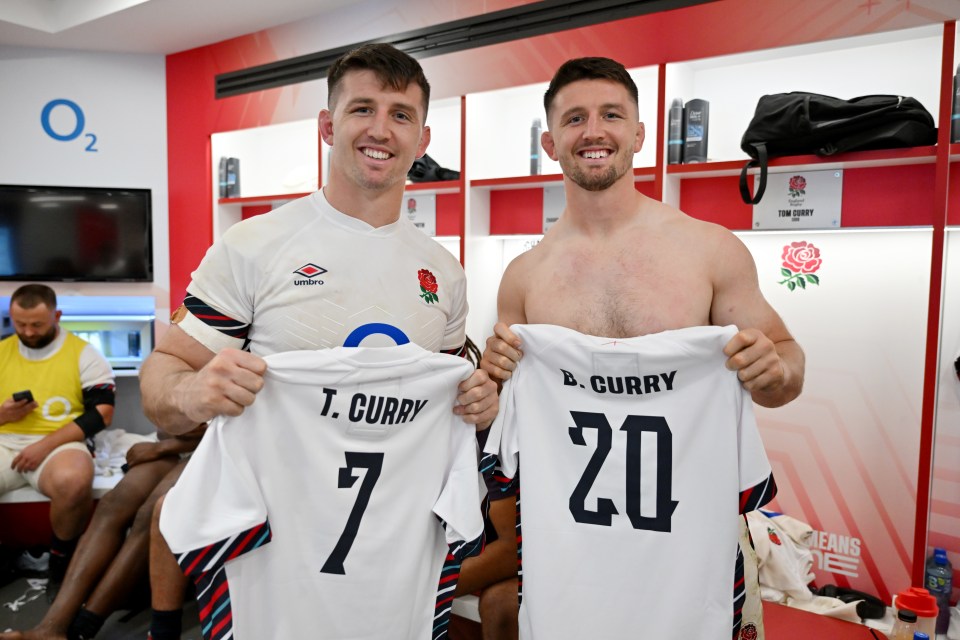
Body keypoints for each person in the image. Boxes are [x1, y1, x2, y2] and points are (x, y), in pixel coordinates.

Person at [137, 43, 498, 638]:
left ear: (423, 139)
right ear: (329, 126)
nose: (380, 130)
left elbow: (454, 393)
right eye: (363, 109)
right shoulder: (254, 245)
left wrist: (480, 400)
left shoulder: (445, 272)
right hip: (279, 559)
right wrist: (194, 392)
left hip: (393, 566)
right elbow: (164, 374)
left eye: (400, 115)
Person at [479, 57, 805, 639]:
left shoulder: (709, 251)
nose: (594, 131)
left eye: (611, 115)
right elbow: (497, 405)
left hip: (695, 553)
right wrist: (493, 374)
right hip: (573, 559)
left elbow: (786, 364)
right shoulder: (524, 277)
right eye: (574, 119)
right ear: (550, 143)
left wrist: (772, 369)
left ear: (639, 134)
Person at [0, 430, 202, 640]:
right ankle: (51, 627)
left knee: (150, 514)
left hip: (217, 449)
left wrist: (162, 448)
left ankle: (81, 629)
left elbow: (230, 429)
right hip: (179, 444)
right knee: (112, 505)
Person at [0, 284, 116, 601]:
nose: (28, 331)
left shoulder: (84, 354)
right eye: (19, 323)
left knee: (73, 479)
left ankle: (60, 567)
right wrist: (2, 415)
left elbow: (101, 415)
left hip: (59, 444)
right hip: (5, 441)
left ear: (57, 316)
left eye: (37, 324)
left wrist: (44, 445)